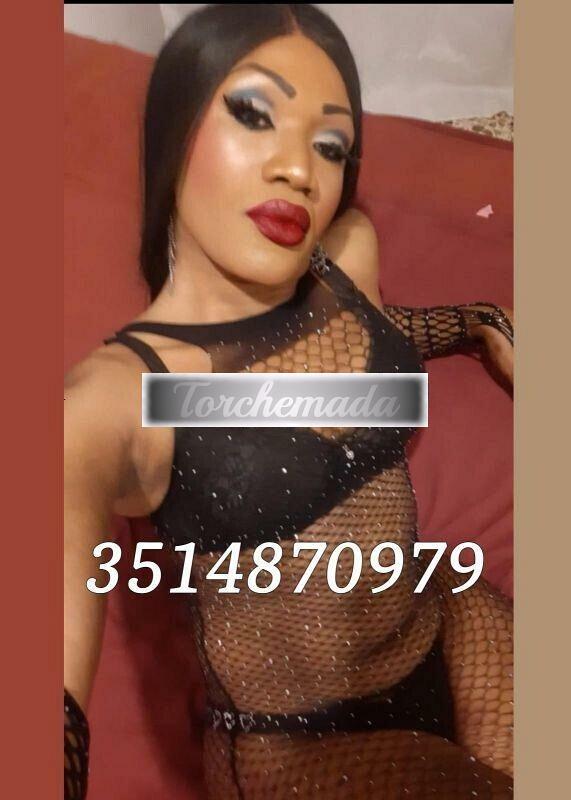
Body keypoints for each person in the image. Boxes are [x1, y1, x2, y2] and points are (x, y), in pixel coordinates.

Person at [64, 5, 514, 799]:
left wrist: (479, 322)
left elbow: (376, 338)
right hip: (304, 746)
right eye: (253, 114)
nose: (298, 169)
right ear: (175, 127)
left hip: (443, 621)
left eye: (329, 143)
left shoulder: (343, 255)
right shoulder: (114, 399)